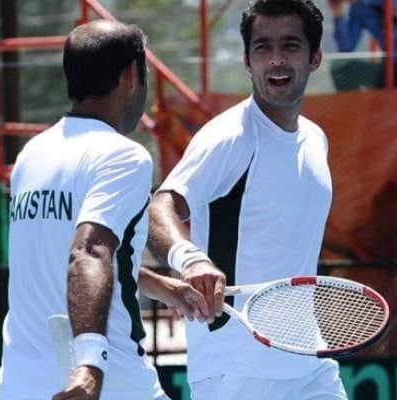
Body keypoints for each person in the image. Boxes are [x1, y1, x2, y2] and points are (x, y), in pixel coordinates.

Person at [146, 0, 347, 398]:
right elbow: (161, 207)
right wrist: (191, 260)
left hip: (310, 365)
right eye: (263, 47)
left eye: (290, 46)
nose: (276, 60)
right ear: (246, 59)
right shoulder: (229, 138)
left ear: (315, 58)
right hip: (236, 372)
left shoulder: (315, 139)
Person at [0, 19, 205, 400]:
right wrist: (89, 367)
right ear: (130, 74)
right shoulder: (124, 157)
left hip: (19, 387)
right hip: (109, 386)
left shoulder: (33, 154)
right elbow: (90, 251)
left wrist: (162, 287)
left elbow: (66, 253)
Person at [328, 0, 397, 87]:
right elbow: (346, 47)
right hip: (394, 67)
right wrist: (339, 15)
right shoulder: (358, 9)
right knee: (342, 70)